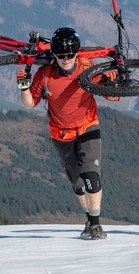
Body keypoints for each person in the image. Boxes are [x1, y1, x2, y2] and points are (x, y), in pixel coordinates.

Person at [17, 27, 112, 240]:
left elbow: (108, 90)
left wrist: (113, 78)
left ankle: (96, 225)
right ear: (55, 55)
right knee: (78, 184)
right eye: (61, 55)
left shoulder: (88, 68)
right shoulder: (45, 74)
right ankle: (89, 219)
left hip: (88, 126)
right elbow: (30, 103)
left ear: (77, 53)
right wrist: (24, 88)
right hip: (60, 134)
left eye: (70, 55)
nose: (66, 59)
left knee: (91, 177)